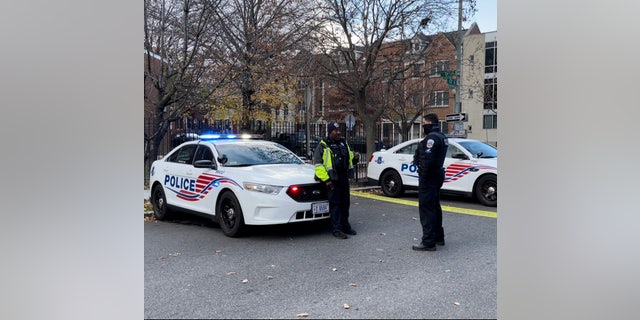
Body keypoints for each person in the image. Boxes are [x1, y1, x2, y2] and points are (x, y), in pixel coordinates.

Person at [313, 121, 359, 239]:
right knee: (336, 205)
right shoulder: (323, 145)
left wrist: (355, 157)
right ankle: (336, 229)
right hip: (332, 180)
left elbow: (349, 159)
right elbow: (318, 166)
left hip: (343, 178)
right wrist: (327, 180)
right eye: (335, 131)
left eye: (339, 130)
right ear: (330, 132)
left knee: (345, 203)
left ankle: (345, 226)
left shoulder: (344, 143)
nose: (338, 133)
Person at [412, 113, 448, 251]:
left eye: (424, 123)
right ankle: (438, 236)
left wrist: (423, 176)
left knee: (426, 208)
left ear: (430, 123)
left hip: (430, 177)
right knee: (434, 207)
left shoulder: (432, 138)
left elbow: (428, 160)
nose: (423, 126)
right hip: (437, 175)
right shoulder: (442, 136)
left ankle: (428, 241)